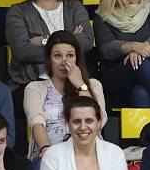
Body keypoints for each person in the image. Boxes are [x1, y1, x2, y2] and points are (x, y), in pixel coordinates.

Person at [6, 0, 94, 111]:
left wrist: (43, 40)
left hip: (72, 82)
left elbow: (86, 42)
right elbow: (22, 50)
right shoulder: (18, 12)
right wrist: (70, 41)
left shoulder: (74, 7)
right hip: (33, 83)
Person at [24, 31, 106, 161]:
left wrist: (80, 85)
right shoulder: (34, 88)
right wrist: (46, 150)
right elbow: (36, 122)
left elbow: (98, 121)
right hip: (48, 155)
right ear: (49, 60)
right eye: (57, 56)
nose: (64, 62)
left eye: (70, 56)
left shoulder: (94, 86)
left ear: (77, 59)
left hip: (87, 155)